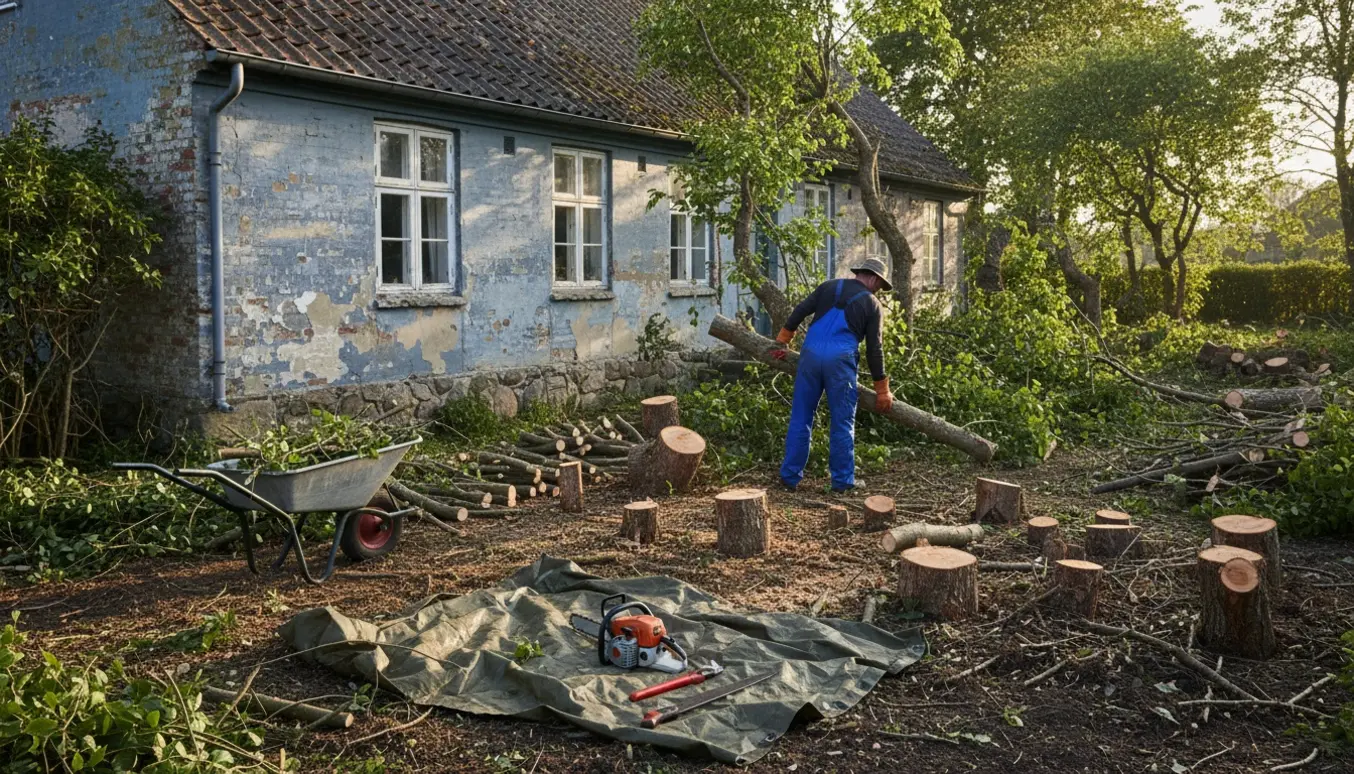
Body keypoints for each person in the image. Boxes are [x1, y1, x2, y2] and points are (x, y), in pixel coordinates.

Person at [769, 257, 894, 493]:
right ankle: (842, 482)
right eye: (880, 285)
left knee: (801, 416)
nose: (879, 290)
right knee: (842, 422)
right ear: (875, 278)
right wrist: (882, 389)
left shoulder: (828, 286)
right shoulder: (872, 304)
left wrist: (782, 340)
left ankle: (789, 477)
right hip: (840, 361)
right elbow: (874, 349)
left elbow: (800, 310)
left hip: (810, 355)